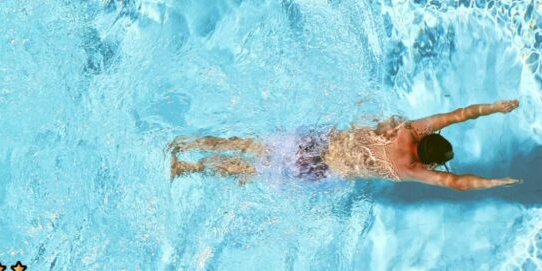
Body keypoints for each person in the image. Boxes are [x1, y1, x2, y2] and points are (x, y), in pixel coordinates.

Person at [169, 100, 522, 190]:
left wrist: (496, 107)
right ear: (429, 162)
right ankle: (189, 167)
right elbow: (457, 183)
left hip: (315, 141)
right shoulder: (409, 169)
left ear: (429, 138)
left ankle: (188, 143)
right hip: (320, 169)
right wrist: (499, 182)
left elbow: (460, 114)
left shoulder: (410, 130)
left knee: (250, 146)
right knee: (252, 170)